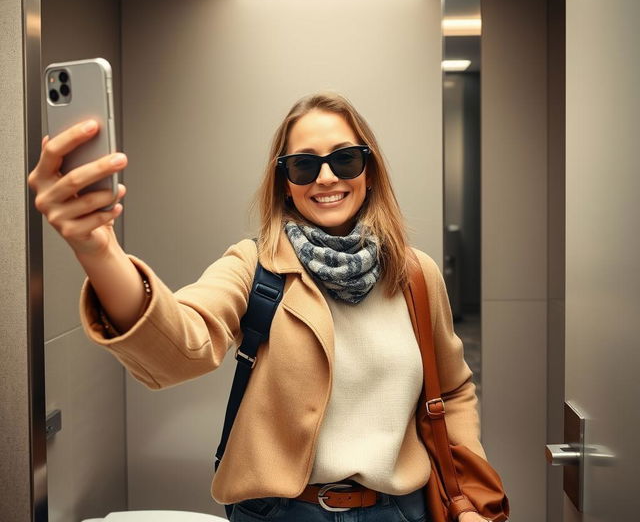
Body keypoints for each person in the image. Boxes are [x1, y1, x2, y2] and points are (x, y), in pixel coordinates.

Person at [29, 92, 492, 522]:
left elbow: (451, 393)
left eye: (345, 159)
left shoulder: (415, 274)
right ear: (284, 183)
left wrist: (466, 502)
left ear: (369, 172)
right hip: (283, 513)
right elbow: (179, 345)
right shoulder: (255, 265)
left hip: (402, 511)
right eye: (304, 166)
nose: (327, 177)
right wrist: (97, 249)